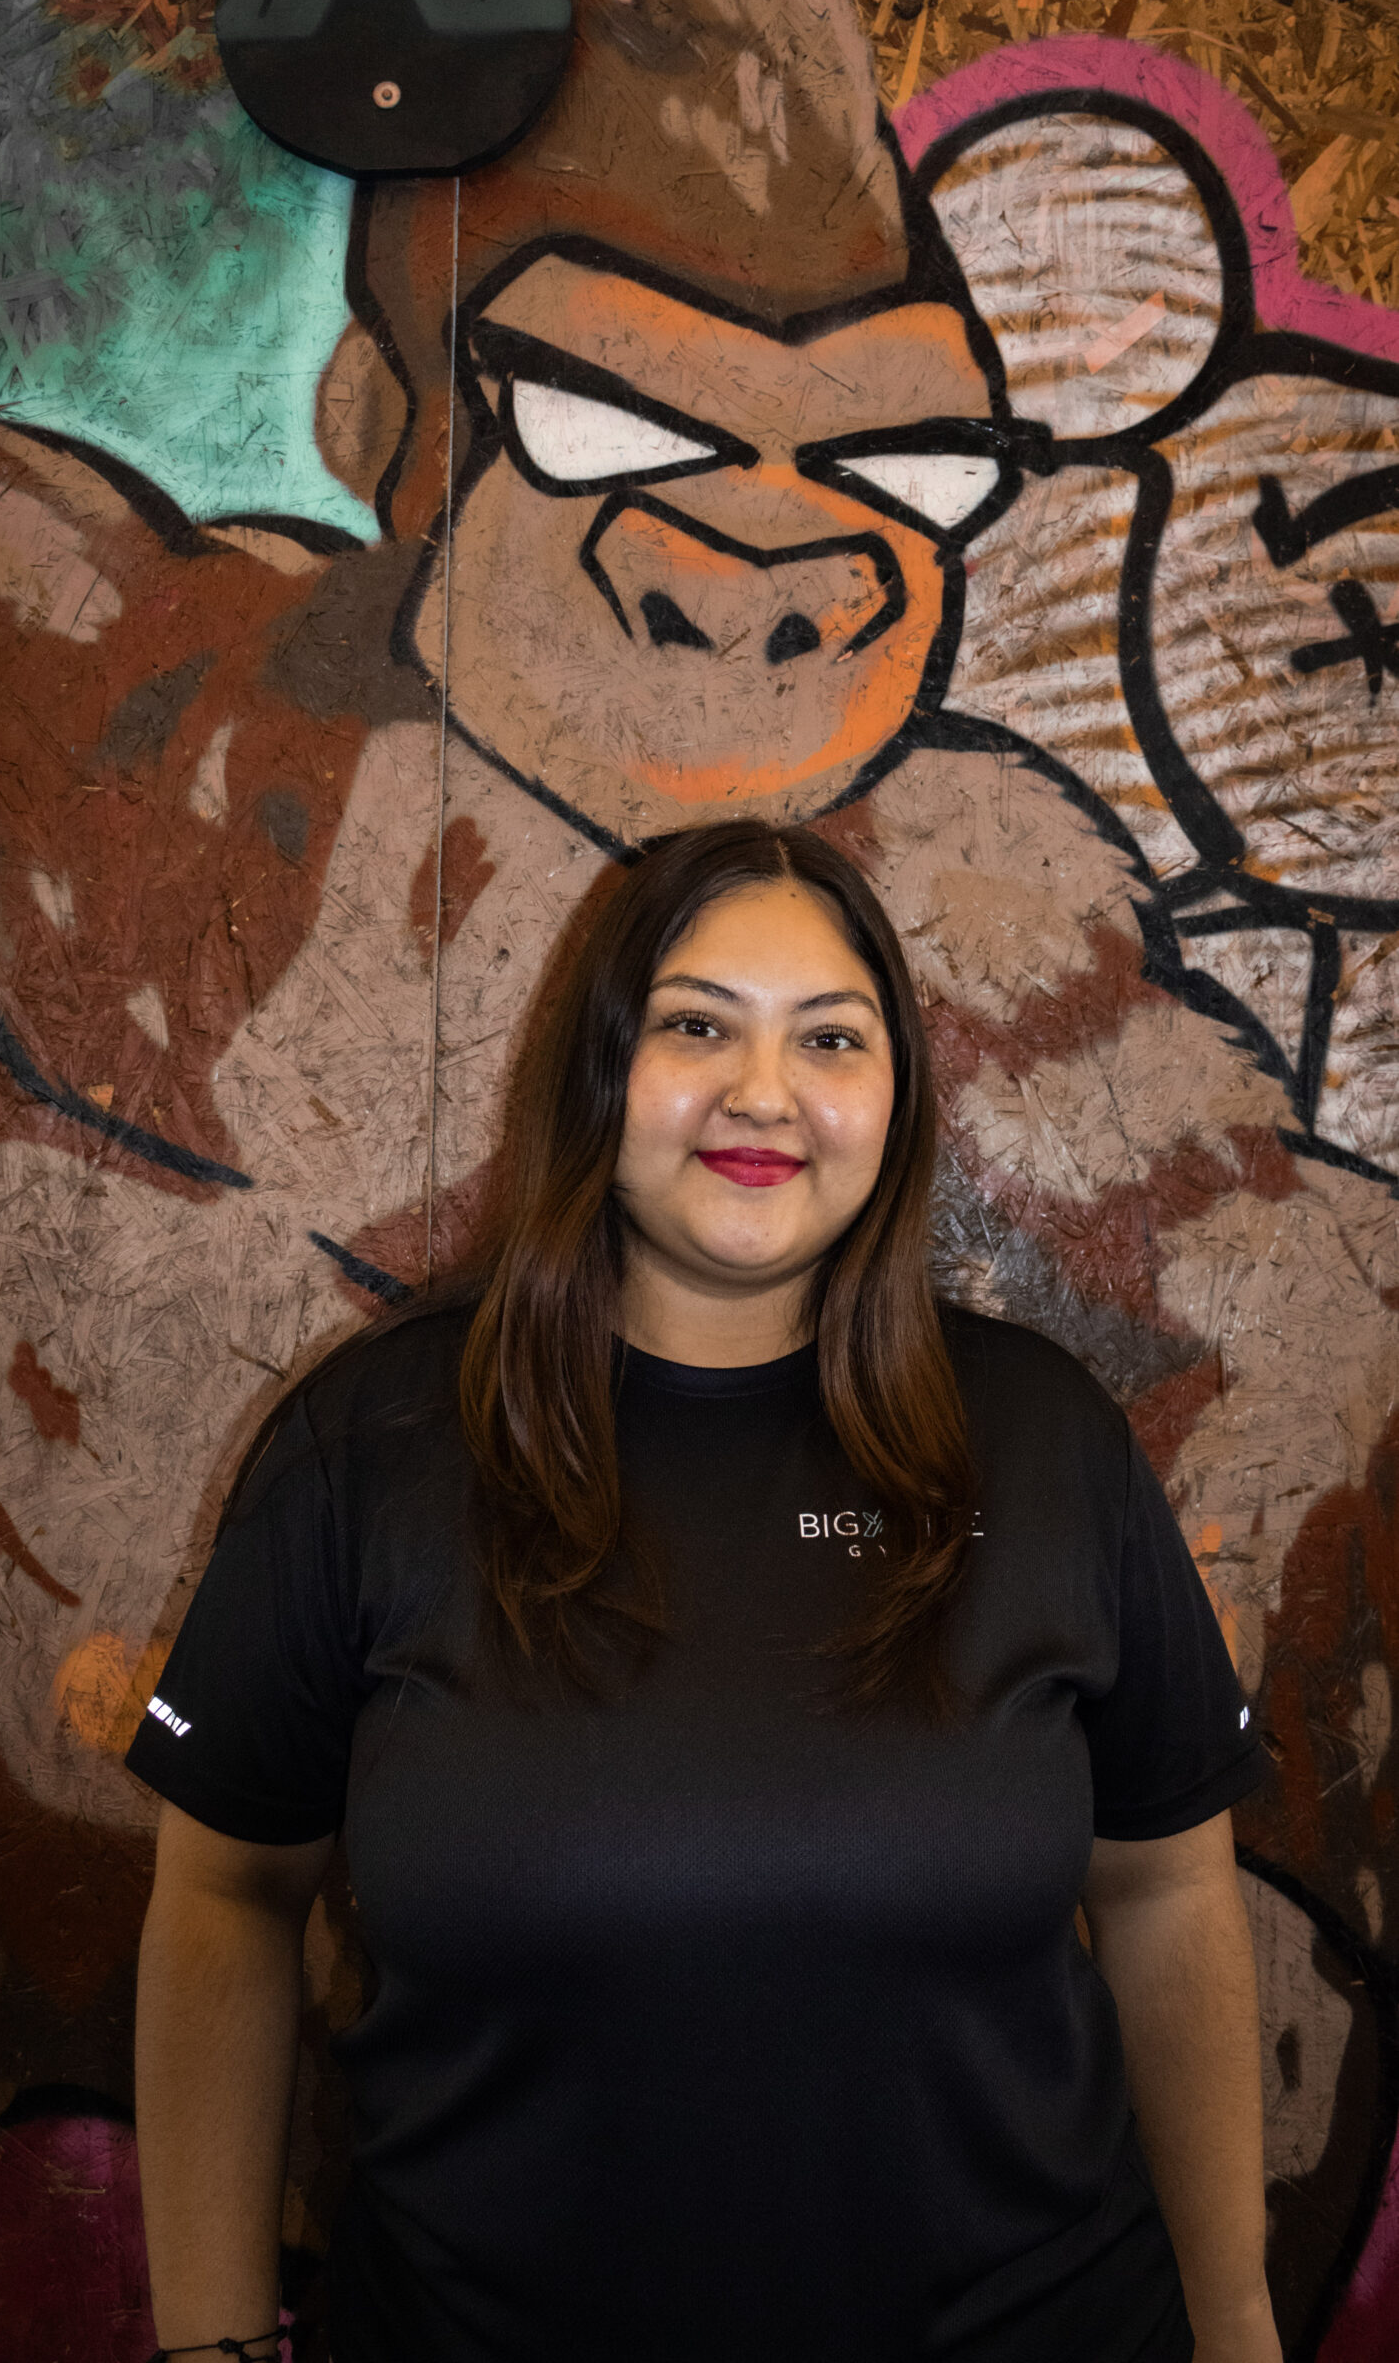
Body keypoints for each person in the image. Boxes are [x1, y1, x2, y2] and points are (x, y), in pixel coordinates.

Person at [128, 818, 1280, 2363]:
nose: (762, 1093)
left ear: (895, 1097)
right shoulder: (373, 1446)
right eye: (694, 1027)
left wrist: (1236, 2323)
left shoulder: (1044, 1438)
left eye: (830, 1038)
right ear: (595, 1070)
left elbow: (1163, 1891)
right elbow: (224, 1896)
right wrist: (209, 2346)